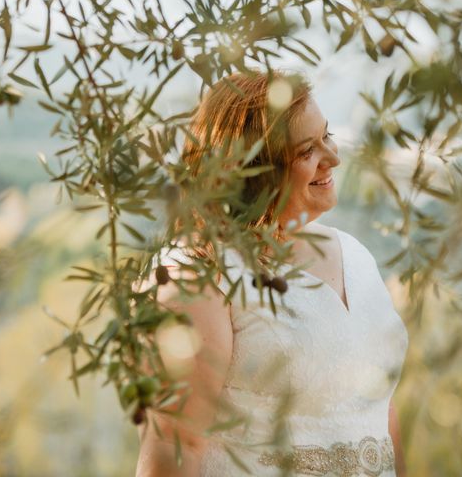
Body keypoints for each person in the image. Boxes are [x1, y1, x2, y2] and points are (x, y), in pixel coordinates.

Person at [135, 70, 409, 476]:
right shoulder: (198, 276)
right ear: (252, 170)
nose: (332, 158)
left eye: (327, 136)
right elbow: (175, 448)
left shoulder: (356, 256)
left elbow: (381, 410)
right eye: (306, 152)